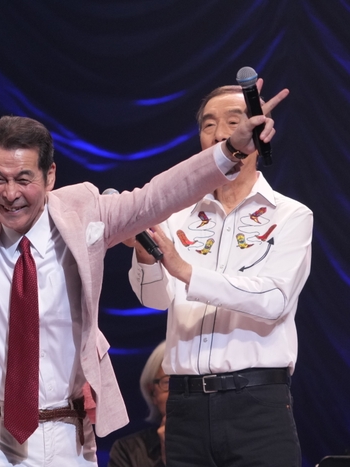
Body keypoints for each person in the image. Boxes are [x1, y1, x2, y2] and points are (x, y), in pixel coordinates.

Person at [0, 80, 285, 466]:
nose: (10, 193)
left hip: (67, 430)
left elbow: (158, 196)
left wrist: (230, 150)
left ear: (50, 176)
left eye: (24, 179)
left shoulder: (86, 213)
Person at [127, 84, 312, 467]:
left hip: (257, 405)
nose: (219, 134)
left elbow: (273, 300)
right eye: (209, 124)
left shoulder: (290, 215)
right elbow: (155, 300)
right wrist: (146, 259)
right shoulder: (177, 214)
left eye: (233, 122)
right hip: (184, 407)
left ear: (259, 132)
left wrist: (185, 270)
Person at [108, 341, 167, 467]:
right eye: (167, 383)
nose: (178, 394)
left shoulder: (212, 443)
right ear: (152, 392)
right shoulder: (127, 451)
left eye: (188, 384)